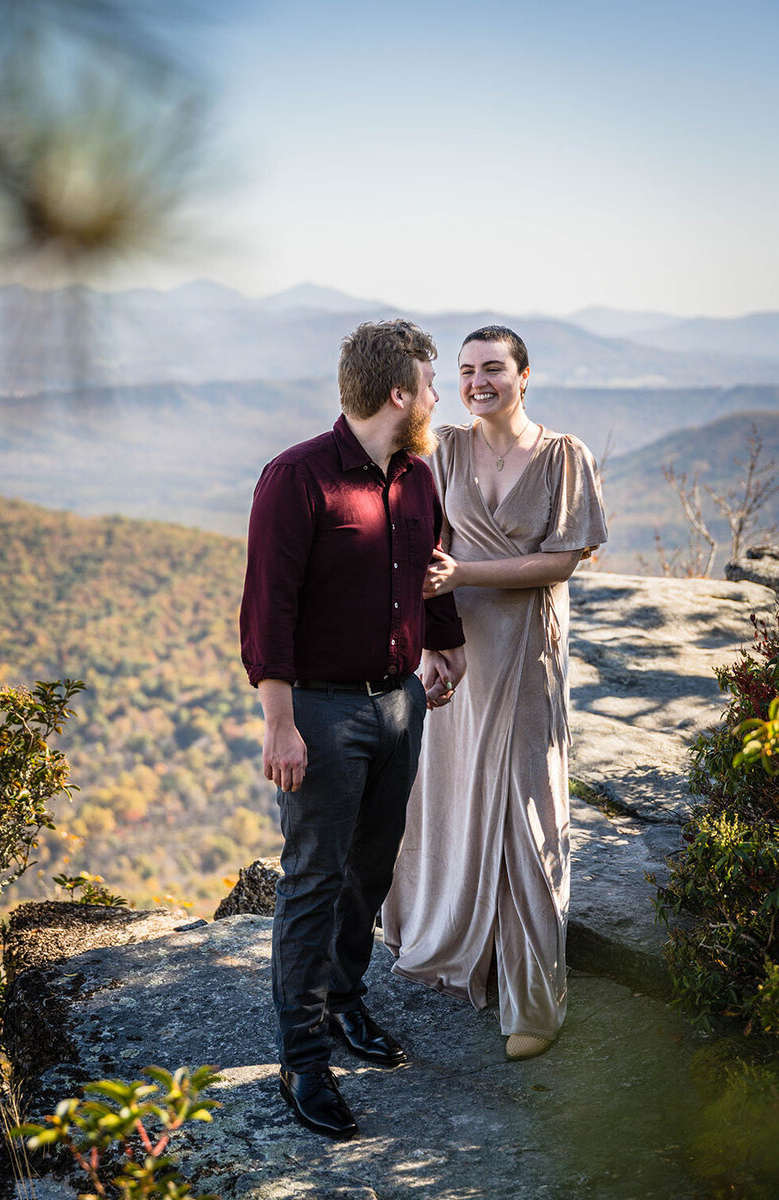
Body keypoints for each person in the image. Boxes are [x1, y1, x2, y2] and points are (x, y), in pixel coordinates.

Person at [239, 319, 466, 1140]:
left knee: (371, 867)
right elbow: (269, 609)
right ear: (399, 394)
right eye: (432, 385)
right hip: (322, 711)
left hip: (400, 701)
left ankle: (343, 1001)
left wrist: (441, 641)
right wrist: (280, 722)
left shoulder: (416, 477)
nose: (441, 399)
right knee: (311, 881)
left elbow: (426, 564)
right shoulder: (297, 478)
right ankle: (302, 1059)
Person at [382, 325, 607, 1061]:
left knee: (527, 808)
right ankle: (463, 948)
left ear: (524, 375)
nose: (479, 381)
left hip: (525, 650)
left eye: (494, 368)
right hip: (459, 647)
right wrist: (430, 642)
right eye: (467, 370)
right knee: (454, 793)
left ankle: (533, 998)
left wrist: (466, 576)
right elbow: (421, 543)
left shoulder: (563, 455)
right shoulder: (445, 448)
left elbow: (563, 561)